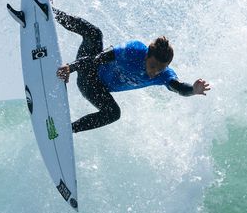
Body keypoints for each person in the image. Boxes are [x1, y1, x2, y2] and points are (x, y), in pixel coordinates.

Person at [53, 9, 211, 133]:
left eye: (161, 69)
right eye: (153, 66)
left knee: (113, 113)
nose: (155, 72)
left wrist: (193, 90)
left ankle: (68, 130)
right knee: (95, 34)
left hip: (94, 88)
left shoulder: (164, 75)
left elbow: (179, 88)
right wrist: (71, 67)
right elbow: (96, 59)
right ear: (147, 55)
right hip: (89, 71)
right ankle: (51, 13)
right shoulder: (133, 50)